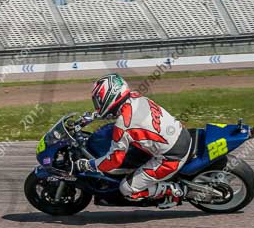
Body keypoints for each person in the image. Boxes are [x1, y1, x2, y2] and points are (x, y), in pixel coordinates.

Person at [76, 73, 191, 209]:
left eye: (99, 100)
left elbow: (113, 160)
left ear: (109, 96)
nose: (97, 104)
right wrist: (93, 116)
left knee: (127, 189)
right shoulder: (135, 96)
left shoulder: (123, 125)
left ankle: (173, 190)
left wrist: (89, 165)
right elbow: (118, 111)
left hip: (171, 157)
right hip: (180, 134)